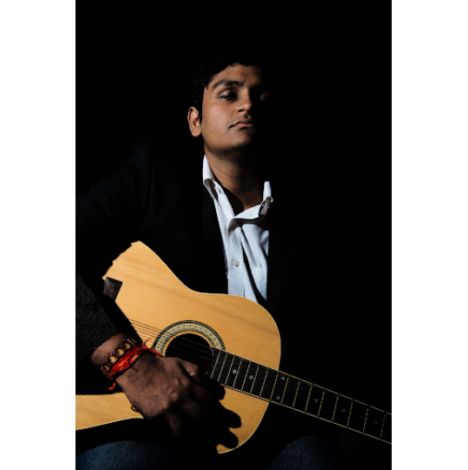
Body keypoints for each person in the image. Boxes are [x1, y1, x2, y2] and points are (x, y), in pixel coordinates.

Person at [75, 49, 376, 469]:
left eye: (261, 97)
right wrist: (131, 365)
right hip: (140, 417)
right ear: (195, 120)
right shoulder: (153, 172)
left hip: (275, 425)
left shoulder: (321, 214)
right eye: (229, 93)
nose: (247, 104)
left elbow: (350, 338)